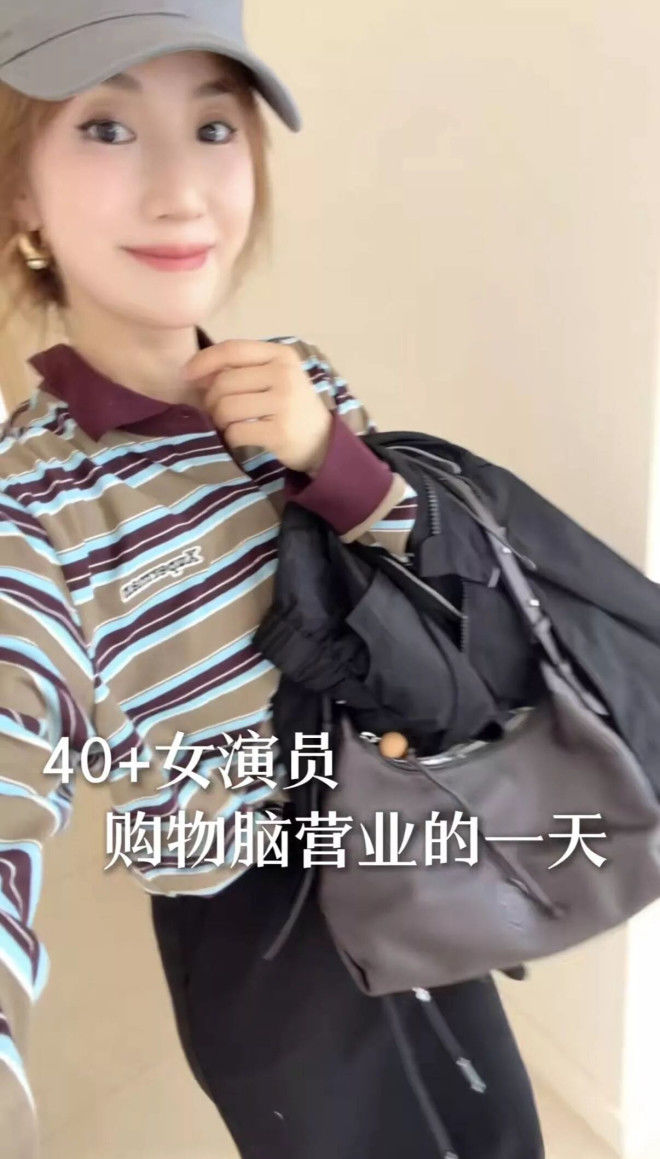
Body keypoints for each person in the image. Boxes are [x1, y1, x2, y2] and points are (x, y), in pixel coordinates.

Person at [0, 4, 546, 1157]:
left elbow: (439, 590)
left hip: (401, 832)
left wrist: (334, 459)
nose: (180, 191)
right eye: (106, 127)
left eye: (213, 127)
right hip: (256, 926)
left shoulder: (300, 379)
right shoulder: (31, 501)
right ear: (22, 198)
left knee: (496, 1125)